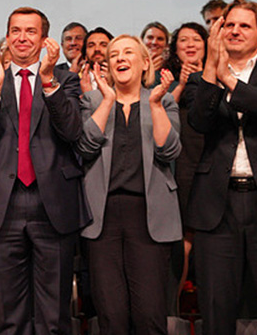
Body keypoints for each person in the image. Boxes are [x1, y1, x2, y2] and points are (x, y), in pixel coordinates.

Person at [184, 0, 257, 335]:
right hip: (216, 207)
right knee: (216, 310)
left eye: (244, 26)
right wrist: (213, 70)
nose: (234, 31)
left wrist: (231, 81)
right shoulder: (200, 79)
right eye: (228, 25)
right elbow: (200, 122)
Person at [0, 7, 89, 335]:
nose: (22, 38)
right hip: (3, 205)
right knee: (7, 315)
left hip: (52, 204)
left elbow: (72, 132)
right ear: (7, 36)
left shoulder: (65, 80)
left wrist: (47, 80)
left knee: (54, 316)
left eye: (30, 31)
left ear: (44, 40)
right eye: (16, 30)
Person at [77, 35, 181, 334]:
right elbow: (85, 147)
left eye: (128, 53)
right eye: (114, 55)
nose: (120, 58)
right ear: (107, 65)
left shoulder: (163, 99)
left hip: (148, 215)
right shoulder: (93, 101)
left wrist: (157, 104)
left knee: (149, 313)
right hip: (103, 215)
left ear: (145, 62)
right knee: (111, 314)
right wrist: (108, 99)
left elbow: (169, 151)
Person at [163, 22, 209, 300]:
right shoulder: (164, 76)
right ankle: (173, 308)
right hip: (181, 163)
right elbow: (161, 109)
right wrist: (181, 83)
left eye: (196, 40)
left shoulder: (220, 74)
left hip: (212, 158)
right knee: (182, 238)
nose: (190, 45)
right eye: (183, 41)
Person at [79, 27, 113, 93]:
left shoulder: (122, 80)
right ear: (85, 55)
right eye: (91, 46)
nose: (97, 49)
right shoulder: (74, 82)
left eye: (103, 45)